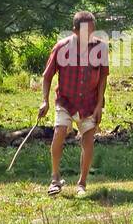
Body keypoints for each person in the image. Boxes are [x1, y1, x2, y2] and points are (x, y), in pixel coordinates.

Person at [38, 10, 108, 197]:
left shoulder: (100, 48)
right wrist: (44, 101)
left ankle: (82, 183)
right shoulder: (61, 47)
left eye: (92, 31)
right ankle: (55, 178)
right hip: (66, 100)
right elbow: (47, 76)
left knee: (88, 140)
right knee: (59, 131)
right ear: (74, 31)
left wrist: (99, 104)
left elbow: (102, 77)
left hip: (90, 102)